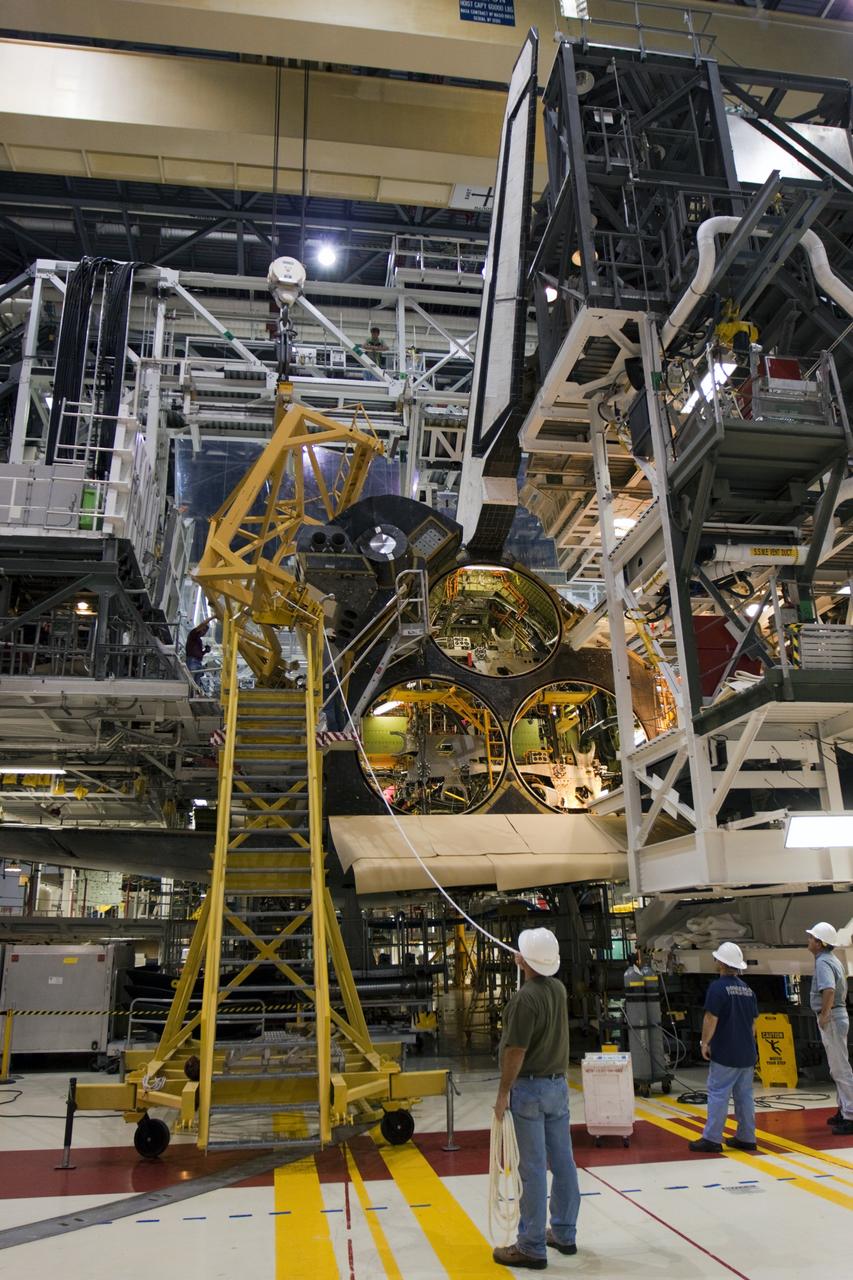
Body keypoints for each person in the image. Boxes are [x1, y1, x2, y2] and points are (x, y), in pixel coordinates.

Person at [492, 927, 580, 1271]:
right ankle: (564, 1232)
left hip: (529, 1089)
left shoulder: (524, 999)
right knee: (563, 1162)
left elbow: (516, 1050)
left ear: (527, 960)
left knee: (531, 1169)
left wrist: (502, 1093)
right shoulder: (557, 989)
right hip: (558, 1088)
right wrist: (526, 962)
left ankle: (530, 1246)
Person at [688, 941, 758, 1154]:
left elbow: (711, 1017)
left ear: (721, 963)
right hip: (747, 1053)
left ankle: (712, 1138)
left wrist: (705, 1043)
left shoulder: (717, 988)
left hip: (726, 1052)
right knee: (744, 1096)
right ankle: (747, 1137)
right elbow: (753, 1023)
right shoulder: (748, 990)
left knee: (718, 1093)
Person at [806, 922, 853, 1135]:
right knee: (838, 1068)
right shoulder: (833, 960)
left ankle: (851, 1115)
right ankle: (844, 1109)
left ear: (820, 943)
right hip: (837, 1016)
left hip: (832, 1017)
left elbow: (829, 990)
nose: (809, 941)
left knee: (840, 1069)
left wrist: (824, 1015)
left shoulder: (823, 962)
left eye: (812, 938)